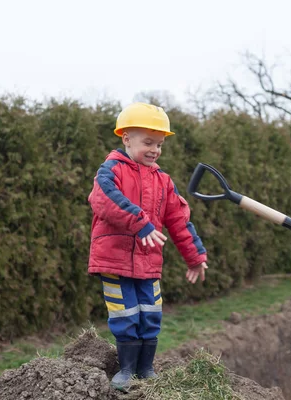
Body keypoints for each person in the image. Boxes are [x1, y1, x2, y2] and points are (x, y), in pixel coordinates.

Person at [87, 102, 209, 391]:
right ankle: (127, 368)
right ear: (126, 138)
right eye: (148, 142)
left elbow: (179, 220)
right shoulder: (110, 170)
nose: (155, 149)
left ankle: (146, 367)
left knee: (150, 313)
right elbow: (105, 199)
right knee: (124, 314)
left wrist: (195, 256)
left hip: (148, 263)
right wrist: (140, 222)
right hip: (114, 261)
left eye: (160, 144)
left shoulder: (162, 181)